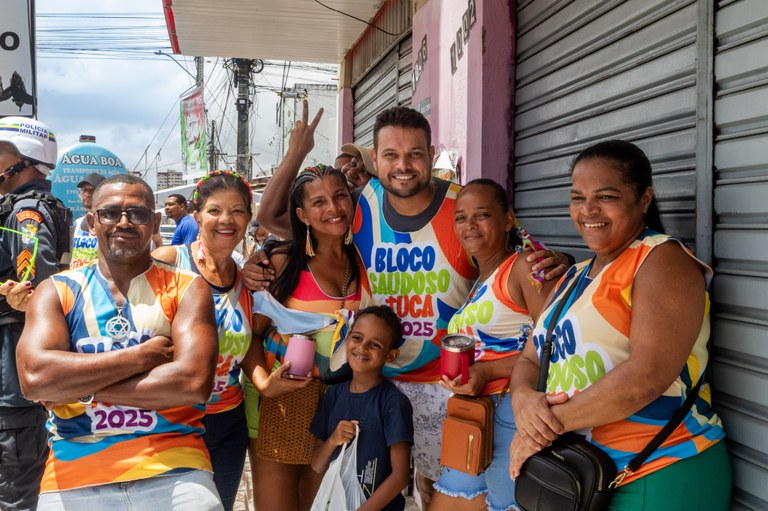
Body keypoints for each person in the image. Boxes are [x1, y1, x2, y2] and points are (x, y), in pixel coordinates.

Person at [248, 101, 568, 507]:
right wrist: (298, 152)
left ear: (431, 157)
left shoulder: (461, 207)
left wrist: (561, 260)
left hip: (448, 386)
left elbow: (524, 255)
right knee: (371, 492)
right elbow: (281, 217)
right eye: (391, 155)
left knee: (440, 494)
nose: (403, 165)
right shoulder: (357, 207)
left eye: (415, 154)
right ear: (376, 160)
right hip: (373, 383)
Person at [508, 140, 731, 510]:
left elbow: (647, 375)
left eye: (605, 196)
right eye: (577, 198)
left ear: (644, 199)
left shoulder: (662, 261)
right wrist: (523, 402)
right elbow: (530, 361)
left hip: (660, 465)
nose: (588, 210)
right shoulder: (573, 276)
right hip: (587, 472)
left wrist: (539, 431)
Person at [16, 174, 223, 509]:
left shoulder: (187, 288)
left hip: (174, 464)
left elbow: (192, 383)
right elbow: (36, 379)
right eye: (110, 213)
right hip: (75, 468)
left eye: (138, 214)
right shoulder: (56, 290)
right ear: (92, 221)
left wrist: (78, 389)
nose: (123, 223)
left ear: (155, 221)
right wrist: (142, 357)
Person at [152, 170, 305, 511]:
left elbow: (248, 338)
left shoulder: (247, 278)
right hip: (170, 421)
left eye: (237, 211)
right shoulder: (168, 263)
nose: (226, 219)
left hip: (228, 423)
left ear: (249, 219)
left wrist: (264, 382)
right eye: (214, 210)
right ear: (197, 215)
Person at [429, 179, 558, 511]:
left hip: (514, 413)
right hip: (476, 417)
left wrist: (486, 371)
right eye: (461, 217)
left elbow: (556, 349)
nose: (469, 225)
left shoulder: (524, 267)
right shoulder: (480, 279)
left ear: (508, 219)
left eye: (482, 215)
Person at [249, 163, 366, 511]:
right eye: (319, 202)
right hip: (283, 400)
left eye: (340, 196)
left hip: (341, 404)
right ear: (301, 214)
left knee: (327, 504)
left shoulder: (361, 257)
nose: (333, 208)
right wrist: (263, 383)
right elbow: (250, 337)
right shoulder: (283, 261)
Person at [0, 116, 71, 511]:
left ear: (23, 161)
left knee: (14, 486)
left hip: (15, 374)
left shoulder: (27, 212)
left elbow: (34, 289)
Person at [310, 305, 413, 511]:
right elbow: (317, 465)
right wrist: (333, 440)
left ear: (390, 355)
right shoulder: (333, 395)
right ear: (347, 339)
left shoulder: (393, 402)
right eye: (357, 338)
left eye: (375, 344)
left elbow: (400, 477)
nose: (362, 348)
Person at [71, 172, 105, 269]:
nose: (87, 194)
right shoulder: (76, 224)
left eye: (92, 190)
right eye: (84, 190)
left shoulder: (110, 224)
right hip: (76, 280)